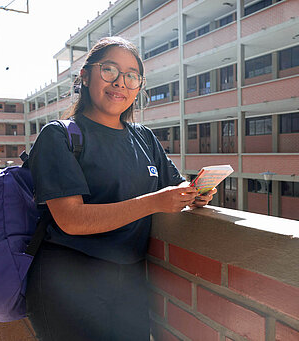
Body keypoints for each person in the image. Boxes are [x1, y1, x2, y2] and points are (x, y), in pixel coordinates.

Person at [26, 36, 215, 341]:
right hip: (67, 278)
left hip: (129, 278)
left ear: (139, 86)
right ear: (85, 76)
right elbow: (71, 219)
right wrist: (153, 202)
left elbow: (174, 183)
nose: (120, 83)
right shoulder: (59, 136)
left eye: (131, 76)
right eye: (109, 70)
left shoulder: (144, 138)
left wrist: (194, 193)